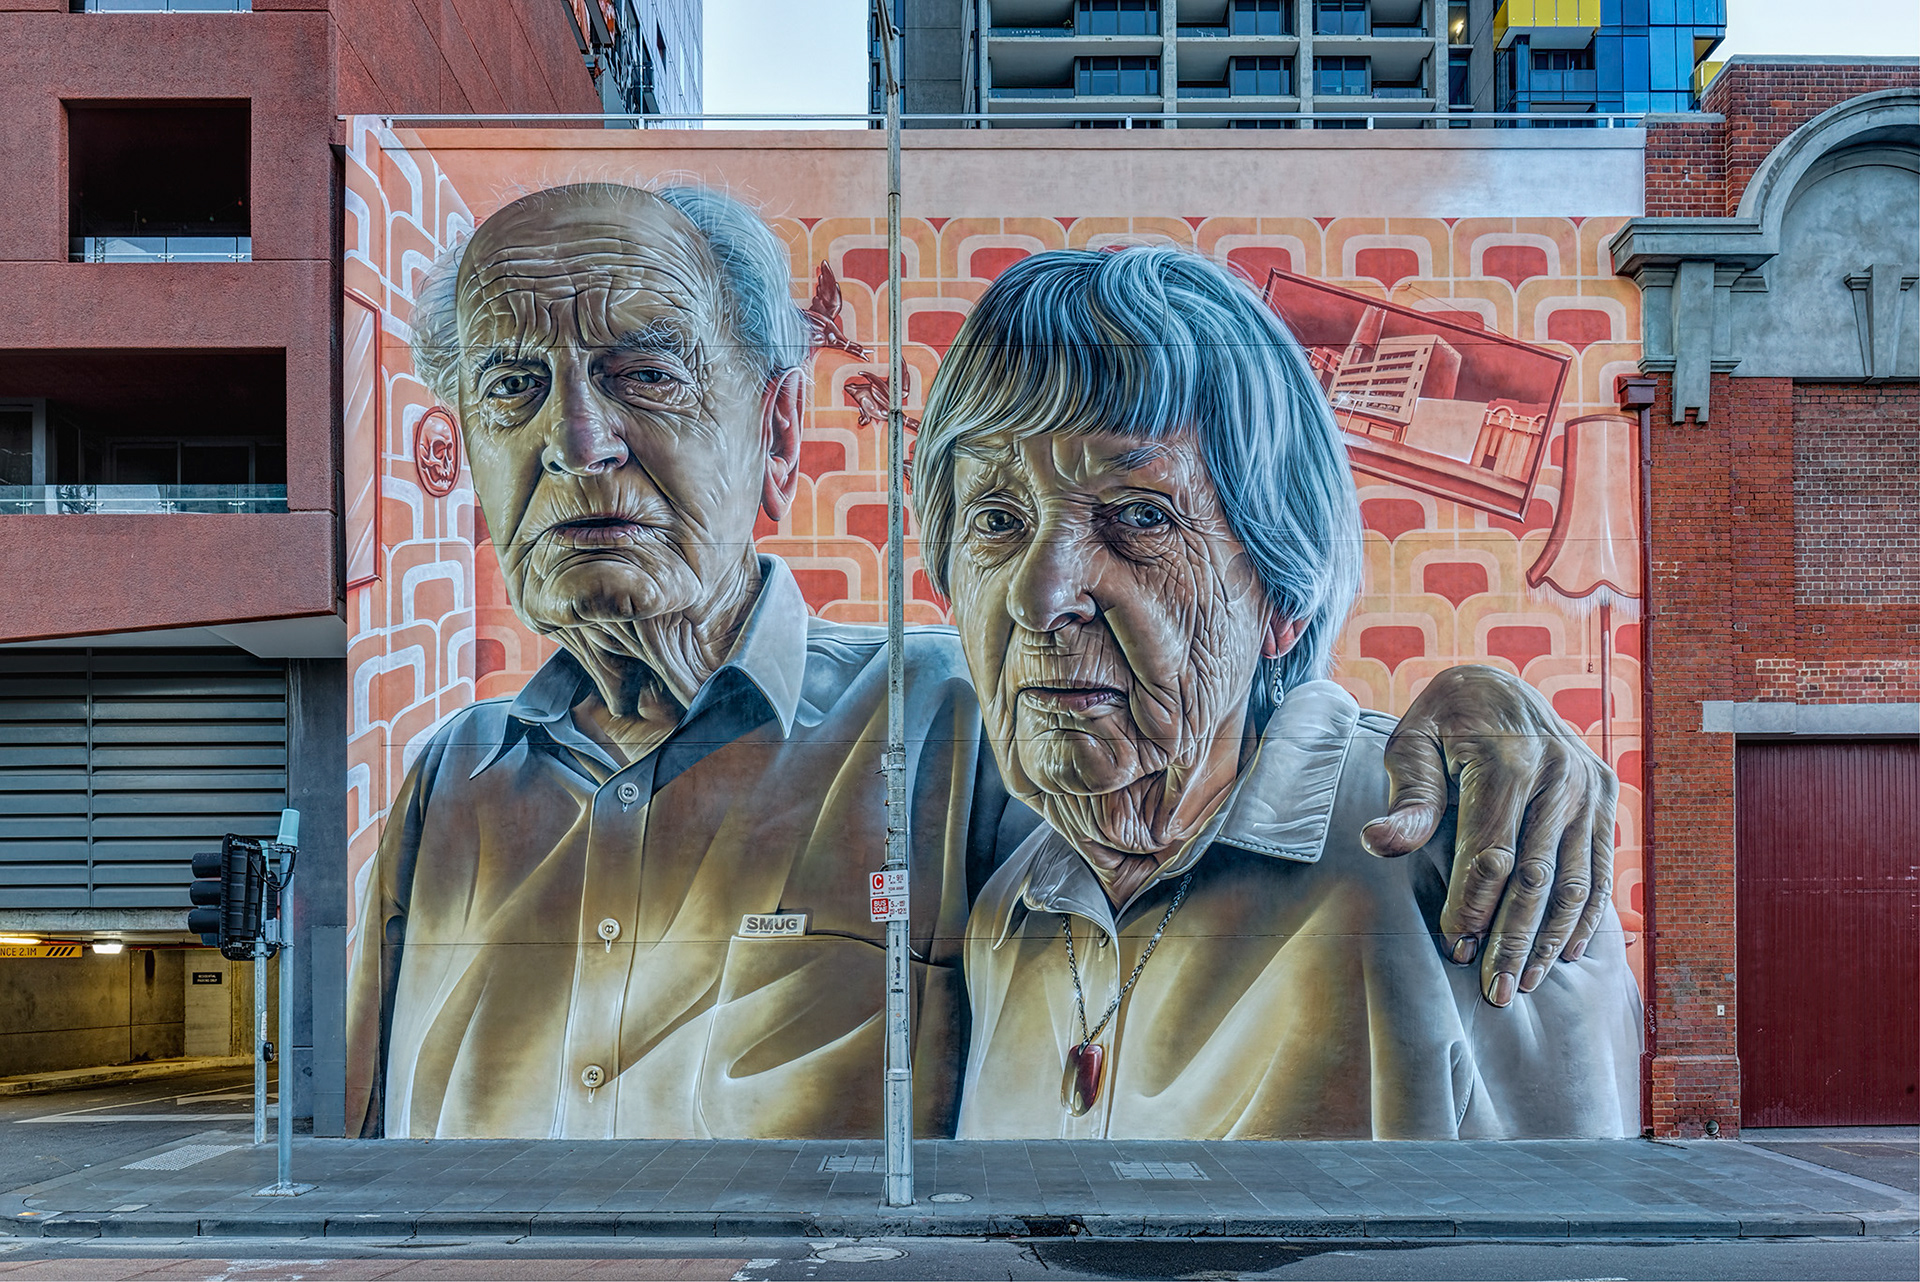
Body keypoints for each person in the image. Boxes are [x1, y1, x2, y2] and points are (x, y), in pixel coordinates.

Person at [346, 182, 1625, 1140]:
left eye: (643, 373)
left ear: (779, 432)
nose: (578, 441)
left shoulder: (950, 731)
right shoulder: (446, 786)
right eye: (510, 387)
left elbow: (1225, 759)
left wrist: (1482, 720)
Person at [914, 247, 1642, 1140]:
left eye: (1140, 515)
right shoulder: (1009, 912)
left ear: (1283, 595)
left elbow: (1580, 1217)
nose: (1040, 597)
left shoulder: (1461, 859)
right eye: (997, 520)